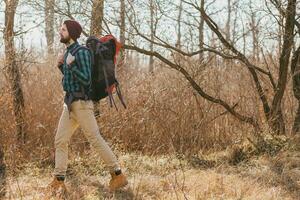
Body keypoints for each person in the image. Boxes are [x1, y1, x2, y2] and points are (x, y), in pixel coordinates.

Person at [47, 19, 128, 193]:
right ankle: (59, 179)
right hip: (69, 104)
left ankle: (118, 175)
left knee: (94, 139)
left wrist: (71, 65)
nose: (60, 32)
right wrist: (62, 67)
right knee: (60, 140)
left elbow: (86, 80)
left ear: (72, 33)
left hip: (82, 104)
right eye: (60, 29)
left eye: (63, 29)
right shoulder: (68, 52)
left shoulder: (81, 51)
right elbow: (70, 82)